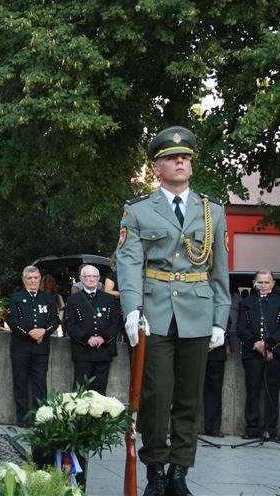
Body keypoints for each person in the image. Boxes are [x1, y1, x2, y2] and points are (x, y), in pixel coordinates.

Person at [116, 126, 229, 496]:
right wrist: (132, 310)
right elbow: (129, 263)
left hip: (198, 312)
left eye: (185, 157)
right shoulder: (137, 211)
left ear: (191, 165)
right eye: (171, 157)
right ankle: (155, 471)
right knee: (155, 396)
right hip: (156, 312)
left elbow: (219, 268)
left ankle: (180, 471)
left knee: (188, 398)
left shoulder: (212, 210)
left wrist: (220, 318)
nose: (180, 161)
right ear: (157, 167)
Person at [237, 269, 280, 440]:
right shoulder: (247, 302)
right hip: (252, 352)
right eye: (260, 282)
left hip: (275, 352)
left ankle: (270, 428)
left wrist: (269, 345)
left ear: (273, 283)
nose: (263, 285)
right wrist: (257, 344)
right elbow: (241, 328)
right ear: (255, 282)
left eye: (267, 282)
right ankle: (251, 427)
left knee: (271, 391)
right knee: (252, 390)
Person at [5, 265, 58, 426]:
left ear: (39, 279)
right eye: (29, 278)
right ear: (24, 280)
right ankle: (22, 419)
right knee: (20, 383)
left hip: (41, 348)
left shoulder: (48, 299)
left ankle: (39, 418)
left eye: (35, 278)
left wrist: (44, 331)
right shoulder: (16, 298)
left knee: (39, 384)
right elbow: (13, 320)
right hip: (20, 347)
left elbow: (55, 320)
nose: (33, 281)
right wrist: (29, 332)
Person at [65, 264, 121, 394]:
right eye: (87, 276)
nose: (91, 279)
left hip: (103, 352)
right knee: (80, 392)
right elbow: (71, 325)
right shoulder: (73, 300)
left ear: (99, 278)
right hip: (82, 352)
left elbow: (115, 323)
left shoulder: (109, 299)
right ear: (81, 279)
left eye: (94, 276)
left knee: (100, 392)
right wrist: (87, 338)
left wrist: (103, 338)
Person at [202, 287, 240, 439]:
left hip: (216, 352)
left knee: (214, 392)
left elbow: (227, 322)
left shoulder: (219, 303)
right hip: (193, 350)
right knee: (188, 391)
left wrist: (212, 342)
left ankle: (213, 427)